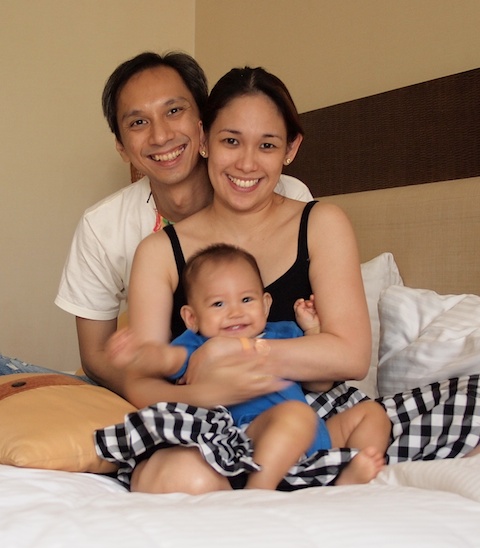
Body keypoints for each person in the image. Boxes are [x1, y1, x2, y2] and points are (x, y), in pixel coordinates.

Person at [107, 65, 373, 494]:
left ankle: (312, 485)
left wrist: (232, 351)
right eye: (230, 141)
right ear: (204, 139)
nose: (246, 163)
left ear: (290, 149)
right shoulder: (159, 252)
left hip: (305, 415)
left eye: (267, 145)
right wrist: (205, 392)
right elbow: (140, 382)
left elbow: (351, 355)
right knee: (184, 476)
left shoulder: (322, 223)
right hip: (203, 423)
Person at [0, 51, 312, 385]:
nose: (160, 136)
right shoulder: (103, 226)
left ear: (204, 125)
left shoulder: (282, 198)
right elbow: (95, 355)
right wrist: (164, 393)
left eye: (174, 111)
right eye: (138, 122)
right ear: (121, 146)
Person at [107, 243, 390, 490]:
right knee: (296, 414)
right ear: (191, 318)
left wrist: (313, 330)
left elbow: (319, 383)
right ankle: (258, 490)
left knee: (372, 414)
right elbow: (166, 360)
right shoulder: (198, 345)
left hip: (314, 438)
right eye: (218, 304)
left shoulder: (284, 333)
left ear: (265, 305)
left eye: (246, 299)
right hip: (252, 438)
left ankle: (349, 475)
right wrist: (137, 355)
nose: (235, 312)